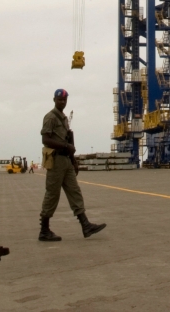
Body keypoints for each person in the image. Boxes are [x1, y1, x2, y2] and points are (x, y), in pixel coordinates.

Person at [39, 89, 105, 241]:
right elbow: (45, 139)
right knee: (52, 194)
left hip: (66, 161)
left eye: (64, 100)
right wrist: (65, 146)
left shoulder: (63, 118)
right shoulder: (50, 117)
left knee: (75, 191)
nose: (62, 102)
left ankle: (85, 225)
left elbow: (68, 139)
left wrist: (73, 160)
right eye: (59, 100)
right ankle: (44, 230)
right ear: (54, 100)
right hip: (56, 161)